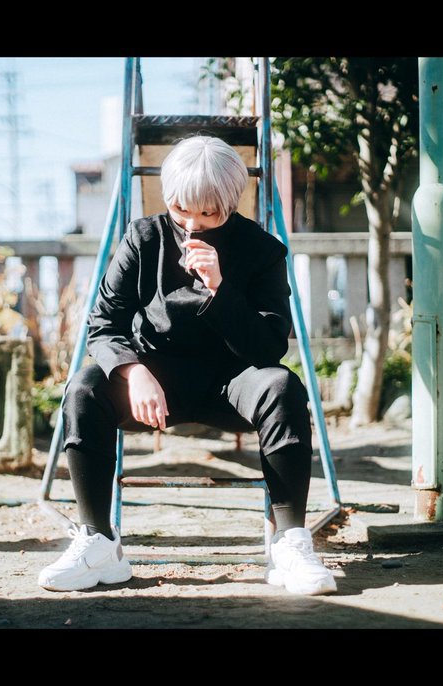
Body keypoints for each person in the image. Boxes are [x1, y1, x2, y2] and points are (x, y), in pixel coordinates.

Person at [37, 135, 336, 596]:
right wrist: (133, 371)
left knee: (282, 387)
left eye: (209, 214)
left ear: (230, 204)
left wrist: (220, 288)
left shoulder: (262, 250)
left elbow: (269, 348)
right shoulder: (143, 238)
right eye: (181, 210)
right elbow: (102, 325)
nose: (193, 225)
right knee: (84, 389)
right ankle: (99, 544)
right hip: (154, 384)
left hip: (232, 381)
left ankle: (290, 543)